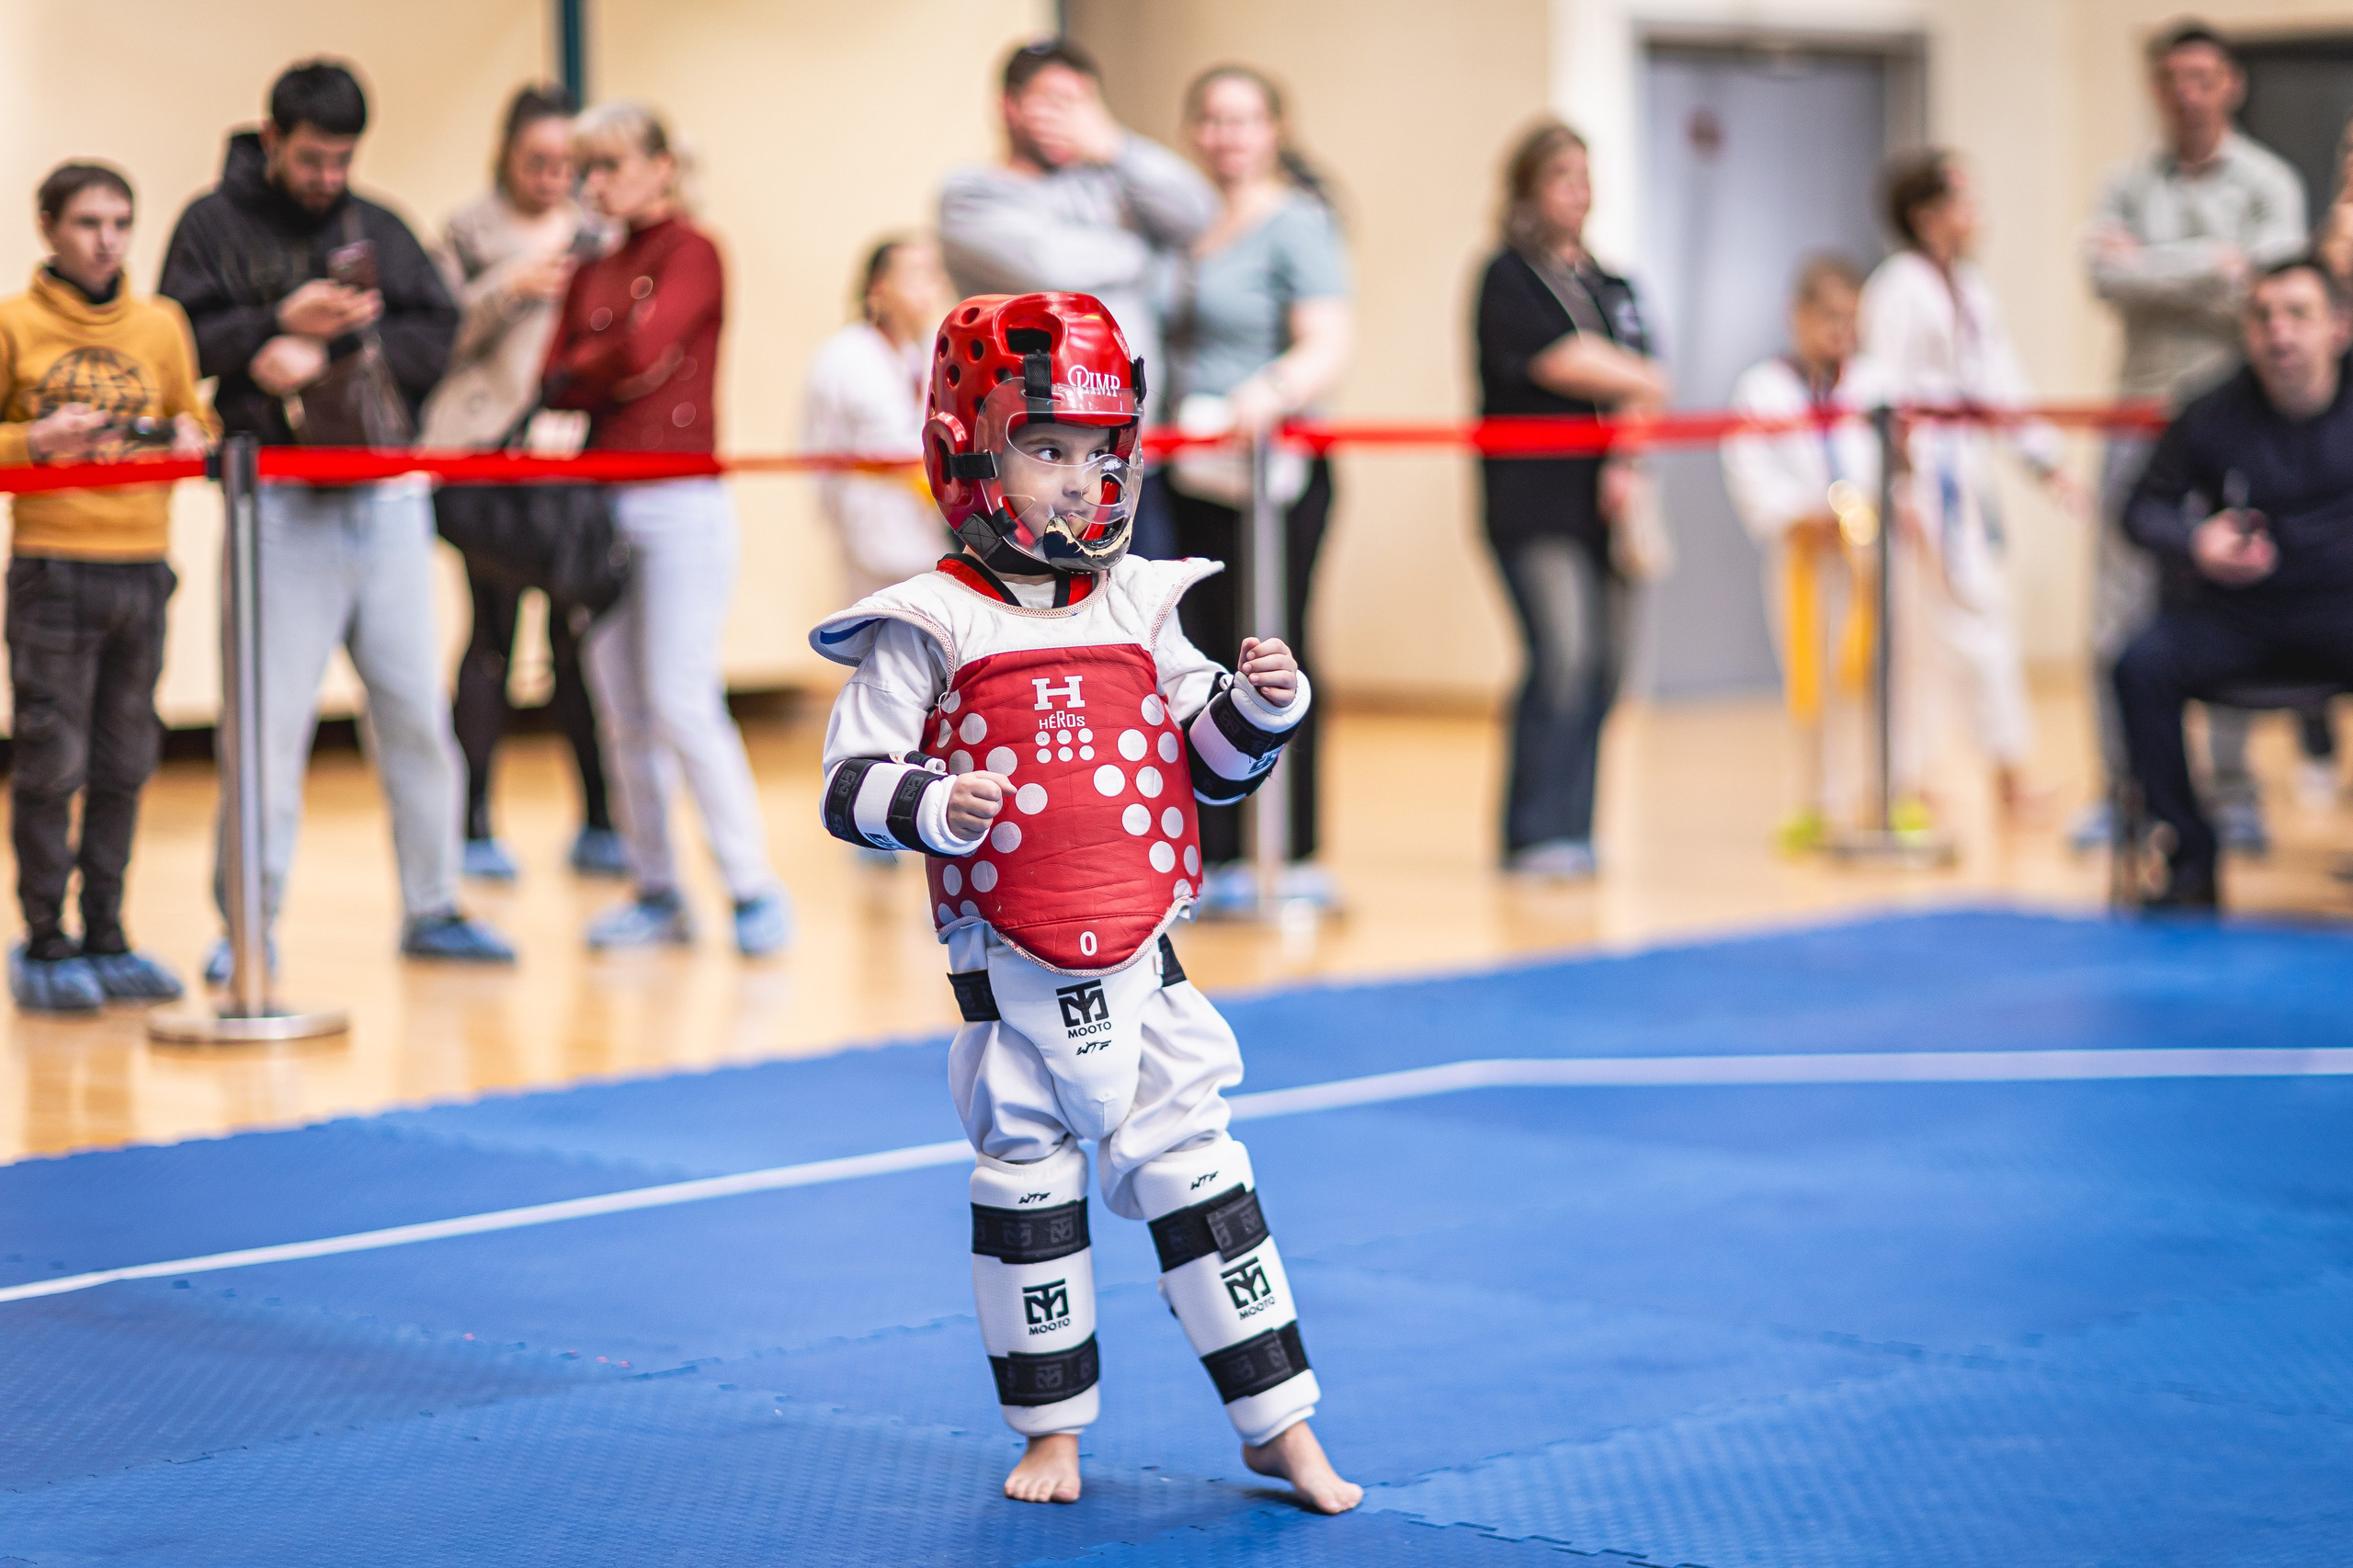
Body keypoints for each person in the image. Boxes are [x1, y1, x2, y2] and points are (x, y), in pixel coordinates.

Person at [810, 290, 1358, 1514]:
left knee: (1205, 1177)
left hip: (1148, 975)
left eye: (1096, 451)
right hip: (1009, 987)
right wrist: (931, 801)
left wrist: (1261, 708)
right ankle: (1051, 1429)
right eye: (1044, 447)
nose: (1075, 479)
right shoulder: (927, 621)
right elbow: (848, 783)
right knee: (1027, 1193)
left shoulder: (1140, 603)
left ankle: (1280, 1424)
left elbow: (1206, 764)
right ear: (966, 450)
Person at [158, 60, 514, 976]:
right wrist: (270, 328)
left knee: (416, 714)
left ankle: (434, 904)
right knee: (264, 726)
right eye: (312, 158)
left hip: (386, 499)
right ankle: (247, 925)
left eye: (343, 160)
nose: (328, 177)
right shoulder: (209, 225)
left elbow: (438, 331)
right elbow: (173, 340)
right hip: (277, 504)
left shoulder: (381, 225)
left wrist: (333, 348)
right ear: (272, 138)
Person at [542, 101, 790, 956]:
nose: (595, 184)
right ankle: (656, 887)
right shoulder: (592, 265)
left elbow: (641, 352)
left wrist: (597, 359)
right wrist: (602, 358)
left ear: (662, 166)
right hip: (602, 502)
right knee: (621, 707)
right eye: (587, 169)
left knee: (682, 695)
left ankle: (750, 886)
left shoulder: (694, 251)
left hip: (682, 499)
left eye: (611, 165)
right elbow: (557, 376)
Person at [2083, 20, 2309, 853]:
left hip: (2232, 425)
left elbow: (2270, 286)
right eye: (2173, 78)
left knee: (2235, 593)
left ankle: (2233, 792)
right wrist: (2213, 263)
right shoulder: (2123, 182)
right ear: (2155, 88)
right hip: (2137, 421)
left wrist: (2153, 266)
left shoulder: (2268, 182)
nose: (2188, 94)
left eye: (2204, 78)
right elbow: (2103, 274)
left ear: (2231, 85)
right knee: (2118, 609)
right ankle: (2123, 792)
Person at [0, 164, 213, 1011]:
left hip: (143, 564)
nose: (107, 241)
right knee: (52, 760)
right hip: (54, 565)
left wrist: (195, 433)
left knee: (126, 760)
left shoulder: (160, 324)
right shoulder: (14, 323)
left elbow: (195, 417)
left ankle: (108, 930)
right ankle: (45, 936)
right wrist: (35, 442)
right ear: (48, 226)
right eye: (88, 223)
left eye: (121, 222)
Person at [422, 84, 625, 884]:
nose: (550, 176)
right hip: (484, 460)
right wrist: (509, 286)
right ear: (504, 154)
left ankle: (601, 820)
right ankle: (471, 825)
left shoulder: (599, 233)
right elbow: (430, 339)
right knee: (492, 637)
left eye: (565, 162)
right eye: (535, 160)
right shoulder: (466, 232)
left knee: (577, 637)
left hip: (569, 460)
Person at [1163, 64, 1353, 911]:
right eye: (1211, 119)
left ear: (1274, 130)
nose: (1225, 135)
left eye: (1243, 119)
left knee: (1277, 647)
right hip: (1190, 469)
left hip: (1276, 468)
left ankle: (1297, 850)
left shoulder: (1299, 222)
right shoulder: (1182, 225)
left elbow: (1328, 341)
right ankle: (1221, 854)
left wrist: (1267, 395)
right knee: (1200, 655)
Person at [2116, 257, 2353, 908]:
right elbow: (2139, 509)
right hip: (2242, 617)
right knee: (2139, 668)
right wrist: (2198, 540)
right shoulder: (2212, 412)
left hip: (2343, 612)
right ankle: (2191, 856)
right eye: (2262, 317)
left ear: (2338, 327)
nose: (2279, 333)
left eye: (2297, 315)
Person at [1473, 119, 1670, 881]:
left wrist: (1630, 456)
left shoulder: (1614, 286)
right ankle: (1531, 832)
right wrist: (1639, 376)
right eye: (1561, 177)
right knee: (1562, 655)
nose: (1577, 193)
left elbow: (1647, 386)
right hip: (1533, 501)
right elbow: (1562, 361)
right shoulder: (1507, 278)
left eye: (1584, 178)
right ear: (1527, 189)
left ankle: (1576, 825)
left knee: (1607, 668)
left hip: (1609, 500)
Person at [1863, 148, 2083, 823]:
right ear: (1927, 215)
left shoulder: (1971, 289)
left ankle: (1960, 774)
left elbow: (2000, 385)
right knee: (1931, 632)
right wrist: (1899, 488)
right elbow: (1881, 390)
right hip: (1917, 479)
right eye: (1963, 199)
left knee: (1965, 620)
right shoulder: (1898, 287)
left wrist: (2045, 463)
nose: (1976, 213)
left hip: (1961, 471)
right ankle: (1935, 777)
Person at [938, 37, 1218, 559]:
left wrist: (1116, 145)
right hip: (1019, 463)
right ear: (1009, 105)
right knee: (1023, 599)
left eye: (1082, 103)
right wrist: (1147, 253)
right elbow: (1054, 268)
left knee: (1140, 598)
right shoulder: (970, 193)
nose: (1070, 118)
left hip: (1122, 450)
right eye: (1054, 101)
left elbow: (1197, 214)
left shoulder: (1103, 178)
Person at [1722, 256, 1916, 844]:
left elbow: (1903, 465)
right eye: (1829, 316)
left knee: (1883, 673)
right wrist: (1796, 514)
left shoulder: (1877, 383)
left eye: (1850, 319)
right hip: (1804, 555)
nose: (1840, 332)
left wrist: (1884, 500)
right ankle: (1820, 801)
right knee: (1813, 675)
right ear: (1797, 315)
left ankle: (1889, 793)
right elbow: (1748, 468)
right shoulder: (1761, 388)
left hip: (1871, 555)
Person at [804, 235, 953, 606]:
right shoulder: (842, 357)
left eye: (934, 273)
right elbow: (820, 447)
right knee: (869, 626)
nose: (929, 285)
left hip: (935, 533)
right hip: (868, 529)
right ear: (879, 286)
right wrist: (841, 519)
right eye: (916, 273)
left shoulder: (945, 350)